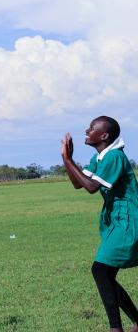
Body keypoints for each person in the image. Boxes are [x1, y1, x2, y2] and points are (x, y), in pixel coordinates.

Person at [61, 116, 138, 332]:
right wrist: (70, 159)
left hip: (129, 220)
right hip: (117, 219)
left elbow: (92, 187)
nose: (87, 130)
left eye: (91, 128)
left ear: (103, 136)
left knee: (100, 270)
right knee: (105, 274)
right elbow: (78, 183)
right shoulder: (101, 157)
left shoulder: (114, 156)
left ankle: (116, 328)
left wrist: (67, 159)